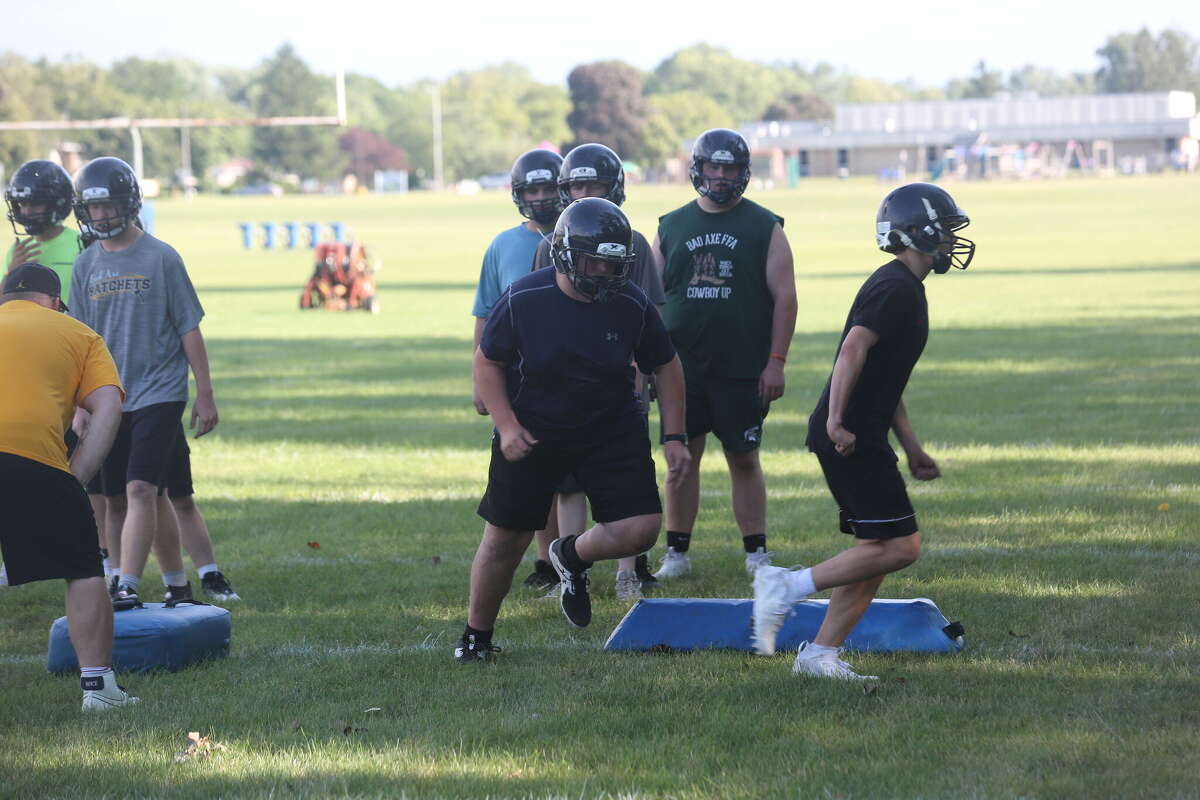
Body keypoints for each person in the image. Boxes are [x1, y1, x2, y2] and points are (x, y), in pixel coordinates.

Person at [752, 182, 976, 680]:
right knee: (902, 547)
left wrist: (912, 447)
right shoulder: (895, 286)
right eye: (945, 231)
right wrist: (835, 421)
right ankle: (785, 586)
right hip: (847, 436)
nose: (951, 241)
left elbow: (885, 377)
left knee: (876, 554)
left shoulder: (905, 287)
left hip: (860, 432)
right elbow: (853, 350)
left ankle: (819, 655)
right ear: (916, 232)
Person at [455, 198, 690, 662]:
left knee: (640, 529)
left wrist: (675, 436)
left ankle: (573, 554)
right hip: (534, 427)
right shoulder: (525, 297)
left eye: (613, 261)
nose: (603, 270)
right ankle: (475, 637)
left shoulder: (630, 302)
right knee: (506, 537)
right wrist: (507, 426)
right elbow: (487, 360)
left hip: (609, 427)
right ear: (564, 254)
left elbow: (665, 364)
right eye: (593, 260)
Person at [68, 156, 218, 610]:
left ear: (128, 204)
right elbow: (80, 339)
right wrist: (79, 403)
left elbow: (188, 327)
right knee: (113, 498)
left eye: (108, 207)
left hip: (159, 392)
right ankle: (127, 578)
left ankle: (129, 583)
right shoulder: (85, 264)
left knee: (141, 489)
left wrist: (205, 392)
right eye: (92, 209)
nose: (100, 217)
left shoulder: (162, 257)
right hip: (108, 397)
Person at [651, 128, 797, 580]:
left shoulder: (765, 225)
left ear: (743, 172)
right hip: (682, 369)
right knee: (680, 460)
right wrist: (649, 364)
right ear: (697, 169)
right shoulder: (671, 225)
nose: (719, 175)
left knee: (745, 457)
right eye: (712, 166)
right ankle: (676, 552)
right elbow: (651, 301)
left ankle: (756, 551)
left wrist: (776, 362)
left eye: (728, 167)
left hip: (742, 367)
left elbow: (786, 297)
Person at [525, 142, 666, 600]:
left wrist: (645, 378)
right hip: (564, 385)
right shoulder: (550, 246)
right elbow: (536, 319)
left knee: (624, 481)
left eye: (594, 183)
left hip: (621, 381)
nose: (584, 191)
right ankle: (573, 570)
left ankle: (628, 570)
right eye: (576, 184)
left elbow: (650, 319)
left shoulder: (635, 244)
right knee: (568, 485)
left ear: (616, 187)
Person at [0, 262, 138, 710]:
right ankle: (99, 691)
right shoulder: (78, 333)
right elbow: (106, 408)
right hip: (30, 457)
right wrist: (74, 477)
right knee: (83, 568)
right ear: (55, 302)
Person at [471, 148, 564, 414]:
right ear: (519, 194)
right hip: (516, 373)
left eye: (549, 189)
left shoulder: (579, 236)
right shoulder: (502, 245)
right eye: (532, 191)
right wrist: (479, 380)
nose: (541, 198)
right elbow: (485, 315)